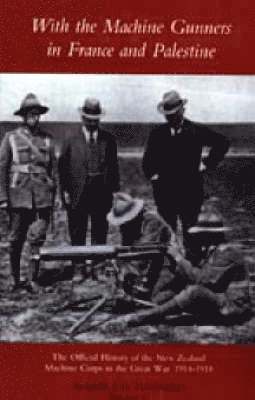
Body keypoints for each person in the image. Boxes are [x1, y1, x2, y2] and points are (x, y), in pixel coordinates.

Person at [105, 193, 251, 328]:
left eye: (201, 235)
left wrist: (178, 258)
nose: (197, 239)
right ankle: (152, 310)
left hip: (232, 306)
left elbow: (203, 280)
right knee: (160, 299)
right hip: (219, 298)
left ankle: (147, 317)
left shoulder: (228, 252)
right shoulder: (212, 251)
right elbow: (198, 276)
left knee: (194, 292)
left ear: (210, 236)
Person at [142, 90, 230, 256]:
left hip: (190, 194)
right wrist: (154, 177)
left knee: (192, 235)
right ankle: (168, 270)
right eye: (168, 115)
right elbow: (147, 162)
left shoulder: (195, 131)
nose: (171, 118)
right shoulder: (157, 134)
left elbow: (222, 142)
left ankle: (193, 269)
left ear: (182, 110)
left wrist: (207, 163)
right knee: (166, 235)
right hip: (165, 194)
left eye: (174, 114)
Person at [0, 93, 56, 292]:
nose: (33, 117)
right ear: (23, 116)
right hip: (18, 197)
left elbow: (53, 171)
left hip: (41, 197)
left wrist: (53, 198)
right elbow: (2, 168)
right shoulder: (11, 138)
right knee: (15, 240)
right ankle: (15, 279)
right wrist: (3, 198)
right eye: (29, 113)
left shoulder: (47, 139)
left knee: (37, 238)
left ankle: (33, 279)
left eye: (36, 113)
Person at [58, 98, 120, 276]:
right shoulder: (70, 140)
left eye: (96, 118)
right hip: (78, 192)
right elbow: (62, 168)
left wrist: (115, 191)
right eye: (89, 118)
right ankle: (78, 268)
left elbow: (113, 167)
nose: (93, 122)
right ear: (82, 118)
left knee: (100, 230)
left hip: (102, 193)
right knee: (77, 230)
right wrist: (65, 192)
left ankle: (98, 267)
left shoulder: (109, 140)